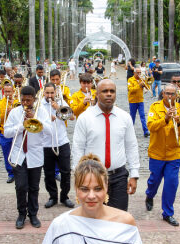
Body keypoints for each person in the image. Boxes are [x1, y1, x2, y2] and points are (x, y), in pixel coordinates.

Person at [72, 79, 140, 211]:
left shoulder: (124, 117)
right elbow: (78, 148)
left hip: (119, 176)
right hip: (92, 177)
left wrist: (134, 174)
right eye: (105, 91)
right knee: (94, 216)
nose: (109, 94)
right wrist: (78, 177)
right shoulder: (85, 118)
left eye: (112, 91)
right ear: (97, 94)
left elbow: (131, 146)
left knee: (119, 216)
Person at [4, 86, 52, 229]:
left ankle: (33, 214)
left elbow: (50, 131)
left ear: (34, 99)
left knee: (34, 187)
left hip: (35, 154)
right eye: (23, 100)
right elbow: (6, 132)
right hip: (18, 155)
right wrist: (21, 126)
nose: (25, 103)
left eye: (28, 100)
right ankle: (21, 214)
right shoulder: (15, 112)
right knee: (20, 186)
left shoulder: (41, 111)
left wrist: (35, 119)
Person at [145, 84, 180, 227]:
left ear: (176, 95)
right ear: (163, 94)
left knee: (171, 183)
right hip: (157, 152)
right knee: (154, 180)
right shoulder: (154, 107)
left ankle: (168, 213)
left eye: (172, 94)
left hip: (174, 153)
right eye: (167, 93)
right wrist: (165, 119)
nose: (170, 96)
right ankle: (149, 195)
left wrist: (178, 122)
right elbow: (151, 127)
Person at [41, 83, 75, 209]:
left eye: (52, 93)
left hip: (62, 141)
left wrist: (58, 108)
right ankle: (53, 197)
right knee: (49, 173)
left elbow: (72, 117)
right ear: (43, 93)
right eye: (47, 93)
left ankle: (64, 196)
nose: (50, 95)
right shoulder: (39, 104)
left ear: (55, 92)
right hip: (46, 143)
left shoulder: (61, 102)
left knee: (66, 172)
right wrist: (46, 119)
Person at [0, 83, 18, 183]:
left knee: (18, 153)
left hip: (17, 132)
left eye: (10, 91)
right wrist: (7, 112)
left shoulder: (17, 102)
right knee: (7, 154)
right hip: (4, 132)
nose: (8, 94)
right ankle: (11, 173)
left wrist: (14, 110)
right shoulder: (0, 103)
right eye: (6, 92)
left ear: (13, 91)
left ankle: (19, 172)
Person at [127, 68, 150, 137]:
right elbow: (131, 90)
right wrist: (139, 85)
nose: (139, 74)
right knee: (132, 117)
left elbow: (148, 88)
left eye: (140, 72)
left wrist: (146, 83)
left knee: (142, 116)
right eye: (138, 72)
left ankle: (146, 131)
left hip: (140, 100)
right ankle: (130, 131)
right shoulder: (130, 80)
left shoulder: (142, 79)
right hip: (132, 101)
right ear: (134, 73)